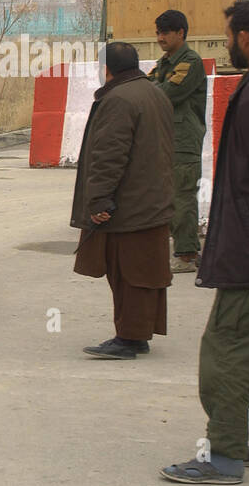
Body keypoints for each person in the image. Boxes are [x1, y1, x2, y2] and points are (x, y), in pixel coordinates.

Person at [161, 0, 249, 484]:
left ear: (245, 37)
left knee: (228, 347)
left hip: (248, 256)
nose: (227, 42)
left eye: (229, 34)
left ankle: (223, 456)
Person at [71, 41, 174, 359]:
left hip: (131, 204)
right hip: (154, 199)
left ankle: (129, 338)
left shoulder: (118, 99)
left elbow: (108, 155)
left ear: (107, 69)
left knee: (127, 271)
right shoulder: (154, 92)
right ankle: (138, 333)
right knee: (147, 271)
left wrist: (99, 199)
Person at [148, 9, 208, 273]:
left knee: (183, 197)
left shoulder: (190, 62)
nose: (160, 37)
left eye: (165, 32)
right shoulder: (165, 63)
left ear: (180, 33)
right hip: (167, 139)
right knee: (170, 197)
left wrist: (146, 92)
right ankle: (183, 250)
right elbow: (146, 85)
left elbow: (168, 92)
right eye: (158, 32)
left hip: (184, 140)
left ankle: (186, 255)